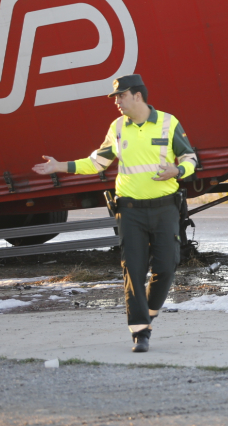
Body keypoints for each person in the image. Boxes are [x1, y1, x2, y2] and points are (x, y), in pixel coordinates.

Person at [32, 75, 197, 353]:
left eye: (121, 96)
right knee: (132, 269)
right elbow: (97, 162)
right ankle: (140, 331)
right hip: (130, 211)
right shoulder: (118, 127)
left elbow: (191, 159)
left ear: (137, 96)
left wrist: (177, 171)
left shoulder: (169, 123)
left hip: (165, 208)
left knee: (167, 267)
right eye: (116, 97)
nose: (117, 102)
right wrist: (61, 166)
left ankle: (150, 310)